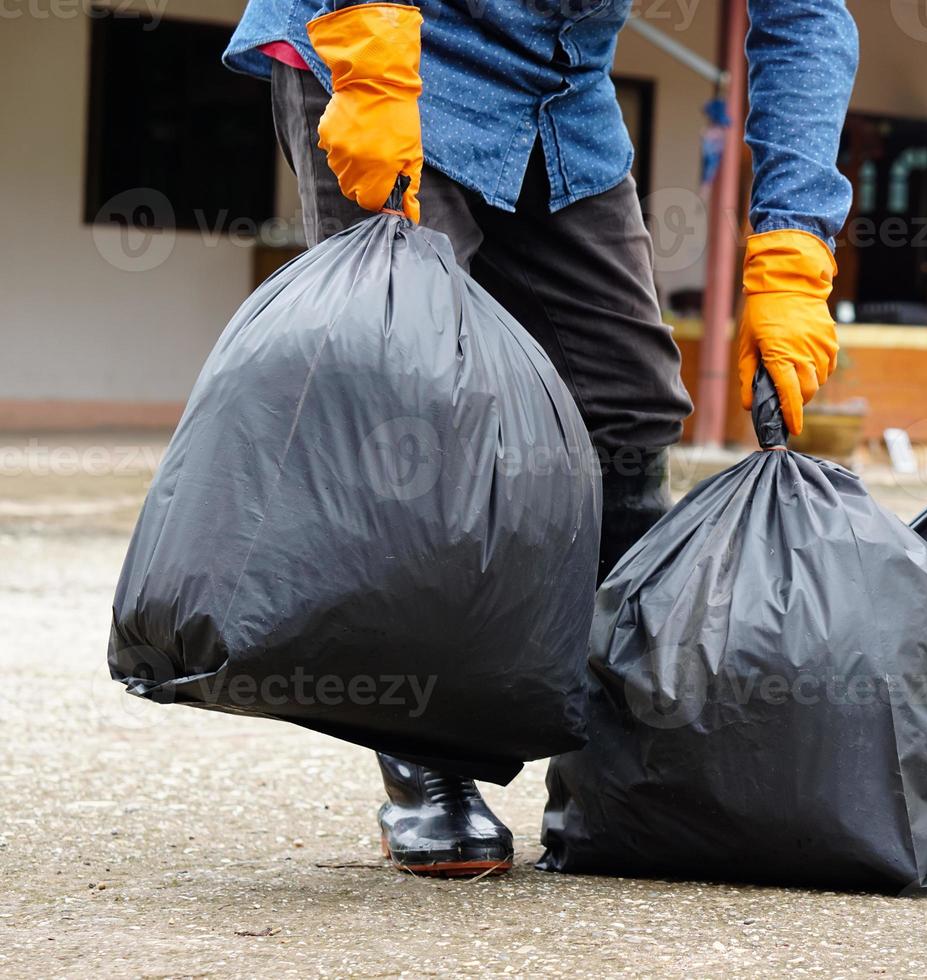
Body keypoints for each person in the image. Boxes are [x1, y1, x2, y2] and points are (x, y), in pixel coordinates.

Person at [223, 0, 858, 877]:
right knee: (414, 386)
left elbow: (806, 18)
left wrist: (793, 246)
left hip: (560, 94)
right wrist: (365, 47)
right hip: (388, 46)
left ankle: (626, 739)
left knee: (627, 406)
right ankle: (427, 756)